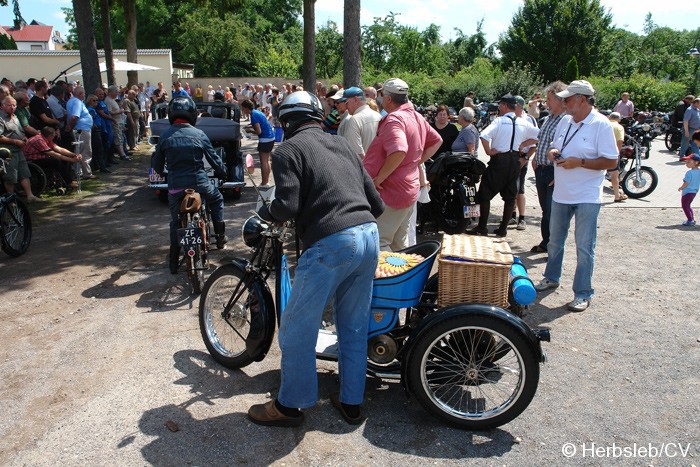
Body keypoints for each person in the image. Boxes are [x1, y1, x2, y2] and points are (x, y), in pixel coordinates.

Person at [247, 91, 384, 427]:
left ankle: (290, 406)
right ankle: (351, 402)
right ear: (317, 116)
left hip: (332, 243)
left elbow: (288, 205)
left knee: (296, 328)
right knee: (352, 326)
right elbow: (376, 203)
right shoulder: (342, 145)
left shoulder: (288, 151)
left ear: (287, 121)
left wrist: (267, 211)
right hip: (368, 235)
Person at [534, 80, 619, 312]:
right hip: (562, 193)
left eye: (568, 98)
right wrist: (553, 152)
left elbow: (612, 161)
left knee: (584, 247)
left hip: (587, 196)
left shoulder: (601, 124)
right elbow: (555, 145)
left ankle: (583, 293)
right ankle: (551, 276)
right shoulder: (565, 121)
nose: (564, 102)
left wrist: (579, 162)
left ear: (582, 99)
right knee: (554, 241)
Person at [363, 78, 443, 250]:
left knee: (380, 241)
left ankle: (390, 277)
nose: (381, 99)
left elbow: (399, 151)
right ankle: (405, 276)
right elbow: (437, 140)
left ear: (389, 99)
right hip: (407, 188)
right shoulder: (416, 116)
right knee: (399, 242)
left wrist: (379, 179)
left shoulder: (395, 119)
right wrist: (414, 162)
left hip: (392, 191)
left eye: (382, 95)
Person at [151, 96, 228, 274]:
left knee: (175, 221)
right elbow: (214, 159)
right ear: (192, 114)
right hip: (200, 184)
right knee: (217, 199)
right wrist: (223, 171)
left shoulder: (164, 136)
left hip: (176, 187)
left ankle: (173, 261)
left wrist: (165, 174)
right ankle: (220, 238)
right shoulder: (199, 134)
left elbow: (156, 164)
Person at [466, 94, 539, 237]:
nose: (499, 108)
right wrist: (524, 144)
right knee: (510, 197)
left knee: (484, 195)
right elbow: (539, 136)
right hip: (515, 162)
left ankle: (482, 227)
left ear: (505, 105)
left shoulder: (499, 121)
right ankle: (503, 229)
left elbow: (484, 135)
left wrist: (488, 151)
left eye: (500, 105)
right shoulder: (522, 122)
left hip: (499, 160)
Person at [530, 81, 567, 253]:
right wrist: (536, 157)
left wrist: (559, 173)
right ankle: (547, 243)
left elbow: (564, 148)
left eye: (550, 99)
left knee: (553, 212)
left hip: (553, 171)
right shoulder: (549, 118)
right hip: (542, 169)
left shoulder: (565, 121)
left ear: (561, 100)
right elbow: (542, 141)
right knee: (546, 210)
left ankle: (552, 247)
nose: (547, 103)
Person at [0, 96, 41, 201]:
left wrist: (23, 137)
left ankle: (30, 196)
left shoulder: (15, 116)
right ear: (2, 106)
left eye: (14, 105)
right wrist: (15, 141)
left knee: (24, 173)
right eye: (9, 105)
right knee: (10, 177)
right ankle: (11, 199)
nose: (12, 107)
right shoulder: (1, 118)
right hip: (8, 152)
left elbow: (19, 130)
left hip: (19, 150)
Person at [337, 86, 381, 159]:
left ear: (355, 100)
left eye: (346, 102)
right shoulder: (379, 116)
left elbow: (356, 154)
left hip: (364, 168)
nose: (346, 106)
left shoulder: (354, 120)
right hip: (378, 166)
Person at [240, 99, 275, 187]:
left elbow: (258, 131)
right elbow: (259, 124)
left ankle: (264, 183)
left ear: (246, 108)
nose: (242, 110)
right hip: (270, 137)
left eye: (243, 108)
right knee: (267, 160)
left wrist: (250, 131)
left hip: (265, 139)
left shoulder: (253, 115)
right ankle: (266, 182)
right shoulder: (256, 112)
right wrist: (250, 126)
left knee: (263, 161)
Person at [66, 86, 96, 179]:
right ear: (80, 94)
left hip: (81, 128)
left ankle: (80, 171)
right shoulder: (77, 102)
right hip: (82, 129)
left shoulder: (72, 101)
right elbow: (75, 117)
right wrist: (71, 127)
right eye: (83, 93)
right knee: (85, 151)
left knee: (80, 150)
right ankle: (86, 173)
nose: (84, 95)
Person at [678, 141, 700, 227]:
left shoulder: (689, 173)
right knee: (688, 205)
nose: (687, 164)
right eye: (686, 162)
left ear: (696, 163)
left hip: (687, 192)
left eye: (689, 162)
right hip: (694, 192)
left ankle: (690, 220)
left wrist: (681, 187)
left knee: (685, 206)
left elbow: (686, 182)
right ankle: (691, 219)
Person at [607, 112, 627, 202]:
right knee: (614, 175)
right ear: (619, 119)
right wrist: (617, 153)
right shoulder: (619, 127)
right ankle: (617, 196)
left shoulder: (604, 123)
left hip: (599, 153)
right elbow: (620, 141)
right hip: (611, 153)